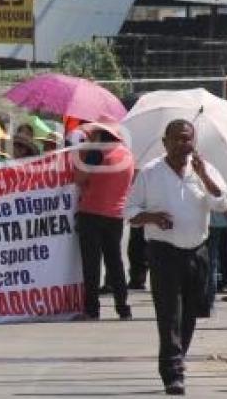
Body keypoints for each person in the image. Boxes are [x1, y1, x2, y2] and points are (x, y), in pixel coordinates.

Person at [127, 119, 227, 395]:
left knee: (190, 314)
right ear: (165, 142)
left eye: (188, 139)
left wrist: (205, 176)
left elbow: (223, 202)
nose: (183, 144)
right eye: (177, 139)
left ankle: (178, 357)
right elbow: (130, 210)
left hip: (197, 251)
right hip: (163, 253)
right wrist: (152, 216)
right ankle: (173, 372)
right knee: (168, 314)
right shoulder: (150, 173)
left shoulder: (203, 169)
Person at [74, 120, 135, 321]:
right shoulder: (126, 154)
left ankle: (92, 309)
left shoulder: (96, 153)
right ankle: (123, 307)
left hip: (91, 212)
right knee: (115, 262)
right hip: (115, 215)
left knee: (91, 264)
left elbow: (80, 178)